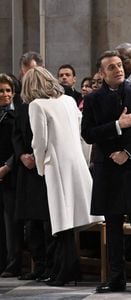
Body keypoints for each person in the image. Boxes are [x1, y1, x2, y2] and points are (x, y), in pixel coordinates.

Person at [81, 50, 131, 294]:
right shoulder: (93, 100)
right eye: (111, 67)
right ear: (102, 74)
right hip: (108, 169)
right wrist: (117, 125)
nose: (118, 69)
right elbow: (88, 134)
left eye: (119, 65)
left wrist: (129, 153)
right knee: (112, 227)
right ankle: (116, 277)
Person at [21, 66, 103, 286]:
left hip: (55, 165)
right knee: (68, 221)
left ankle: (65, 270)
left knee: (61, 222)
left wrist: (40, 167)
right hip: (75, 161)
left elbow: (39, 142)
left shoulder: (37, 105)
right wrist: (84, 161)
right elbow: (82, 133)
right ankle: (67, 268)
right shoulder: (67, 100)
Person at [13, 51, 52, 281]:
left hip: (44, 168)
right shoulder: (20, 100)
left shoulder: (51, 98)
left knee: (46, 221)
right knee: (30, 222)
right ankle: (38, 264)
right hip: (26, 169)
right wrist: (21, 156)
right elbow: (16, 134)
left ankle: (50, 265)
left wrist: (37, 156)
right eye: (25, 73)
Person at [0, 74, 23, 278]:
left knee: (11, 223)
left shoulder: (17, 116)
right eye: (1, 91)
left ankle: (13, 262)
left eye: (8, 90)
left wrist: (6, 167)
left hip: (11, 175)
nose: (5, 94)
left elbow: (20, 147)